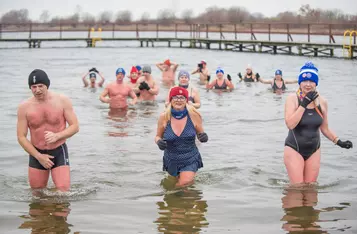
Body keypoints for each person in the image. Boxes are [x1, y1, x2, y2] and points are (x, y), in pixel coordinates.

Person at [284, 62, 353, 185]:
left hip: (314, 150)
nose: (308, 84)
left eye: (312, 81)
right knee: (297, 189)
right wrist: (303, 104)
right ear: (300, 82)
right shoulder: (293, 99)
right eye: (305, 81)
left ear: (316, 83)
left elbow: (325, 128)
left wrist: (338, 141)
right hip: (294, 148)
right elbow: (290, 124)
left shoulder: (322, 101)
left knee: (311, 189)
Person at [17, 69, 79, 192]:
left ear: (47, 85)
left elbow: (75, 126)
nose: (37, 90)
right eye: (33, 87)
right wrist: (39, 156)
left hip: (58, 150)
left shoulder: (62, 101)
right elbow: (21, 137)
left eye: (40, 86)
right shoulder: (24, 107)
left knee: (63, 191)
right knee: (37, 194)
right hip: (36, 152)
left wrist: (57, 136)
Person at [155, 87, 208, 188]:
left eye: (182, 97)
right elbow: (157, 136)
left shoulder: (194, 115)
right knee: (177, 188)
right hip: (171, 159)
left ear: (186, 100)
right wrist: (159, 142)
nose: (178, 100)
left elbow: (201, 134)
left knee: (182, 184)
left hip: (190, 158)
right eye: (175, 97)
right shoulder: (164, 117)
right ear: (171, 100)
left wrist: (204, 137)